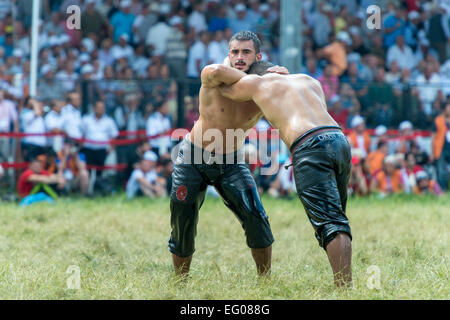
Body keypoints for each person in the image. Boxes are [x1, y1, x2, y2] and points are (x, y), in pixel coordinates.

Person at [217, 60, 353, 287]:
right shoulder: (309, 80)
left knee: (331, 223)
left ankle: (345, 290)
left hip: (309, 145)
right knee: (338, 216)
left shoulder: (256, 83)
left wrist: (230, 65)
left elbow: (224, 88)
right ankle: (345, 283)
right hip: (338, 140)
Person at [169, 31, 287, 278]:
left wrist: (278, 76)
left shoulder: (262, 88)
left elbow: (287, 100)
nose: (239, 57)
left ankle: (265, 282)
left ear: (258, 55)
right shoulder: (214, 74)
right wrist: (260, 79)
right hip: (193, 157)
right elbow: (214, 72)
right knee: (183, 219)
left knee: (256, 216)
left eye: (246, 52)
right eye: (234, 52)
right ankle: (179, 283)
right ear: (228, 54)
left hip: (231, 161)